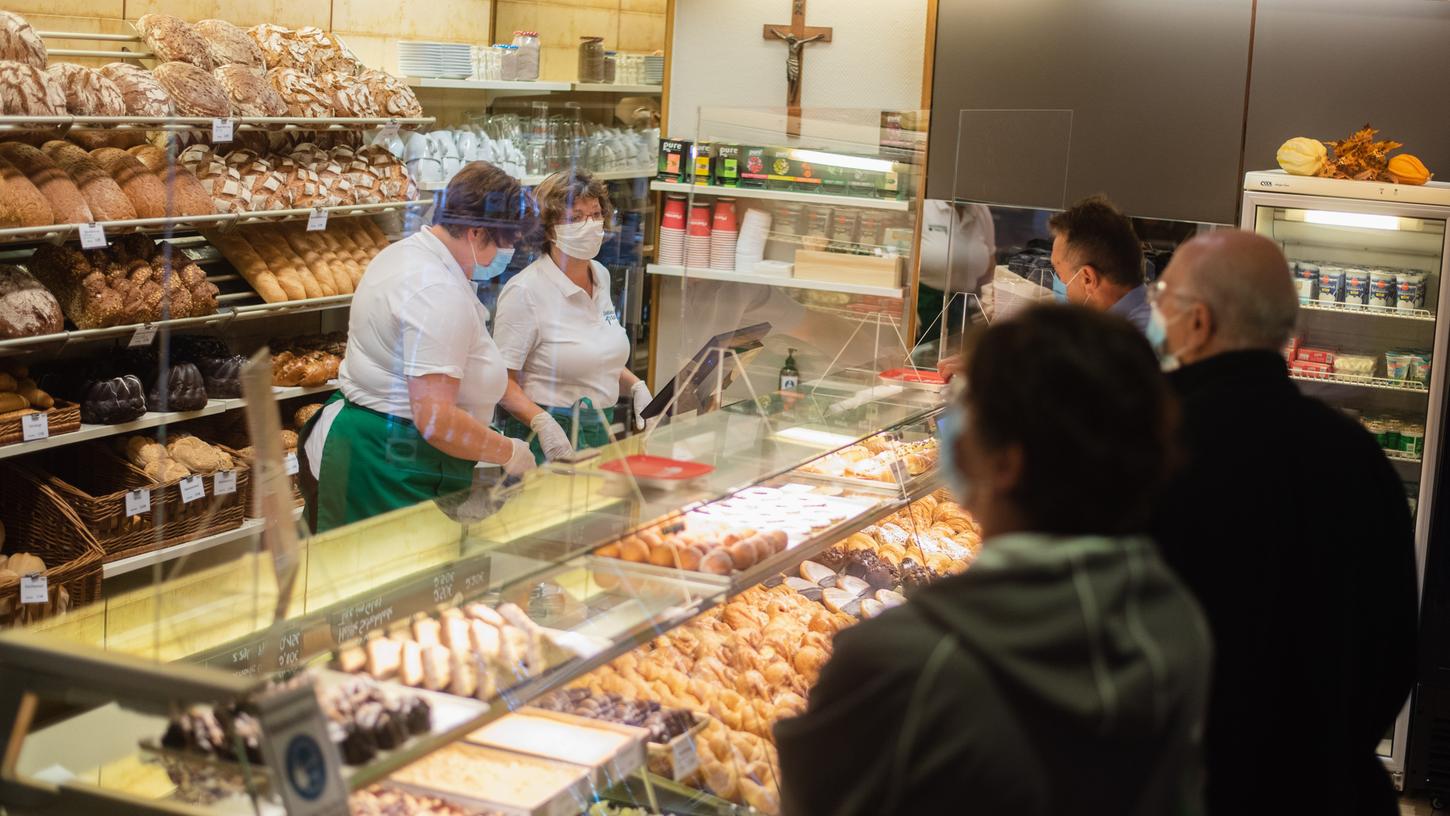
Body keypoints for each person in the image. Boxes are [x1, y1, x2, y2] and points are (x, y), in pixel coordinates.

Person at [776, 305, 1212, 815]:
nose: (952, 431)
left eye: (966, 410)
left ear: (1006, 463)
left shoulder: (900, 663)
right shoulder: (1175, 621)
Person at [1147, 230, 1417, 815]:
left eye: (1162, 296)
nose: (1154, 311)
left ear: (1198, 323)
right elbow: (1395, 649)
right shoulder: (1355, 453)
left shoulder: (1147, 443)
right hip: (1329, 790)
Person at [300, 162, 536, 533]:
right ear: (476, 233)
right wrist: (508, 451)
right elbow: (437, 420)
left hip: (385, 448)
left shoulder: (409, 253)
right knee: (385, 584)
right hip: (390, 461)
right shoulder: (435, 291)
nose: (507, 256)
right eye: (506, 244)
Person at [493, 169, 651, 463]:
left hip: (599, 430)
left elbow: (593, 356)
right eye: (574, 218)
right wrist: (543, 424)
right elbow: (501, 382)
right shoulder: (526, 291)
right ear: (548, 229)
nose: (589, 225)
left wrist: (635, 385)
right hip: (546, 439)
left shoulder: (600, 275)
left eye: (595, 214)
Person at [1050, 195, 1151, 331]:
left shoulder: (1129, 341)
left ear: (1088, 279)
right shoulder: (1150, 314)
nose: (1059, 282)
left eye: (1059, 273)